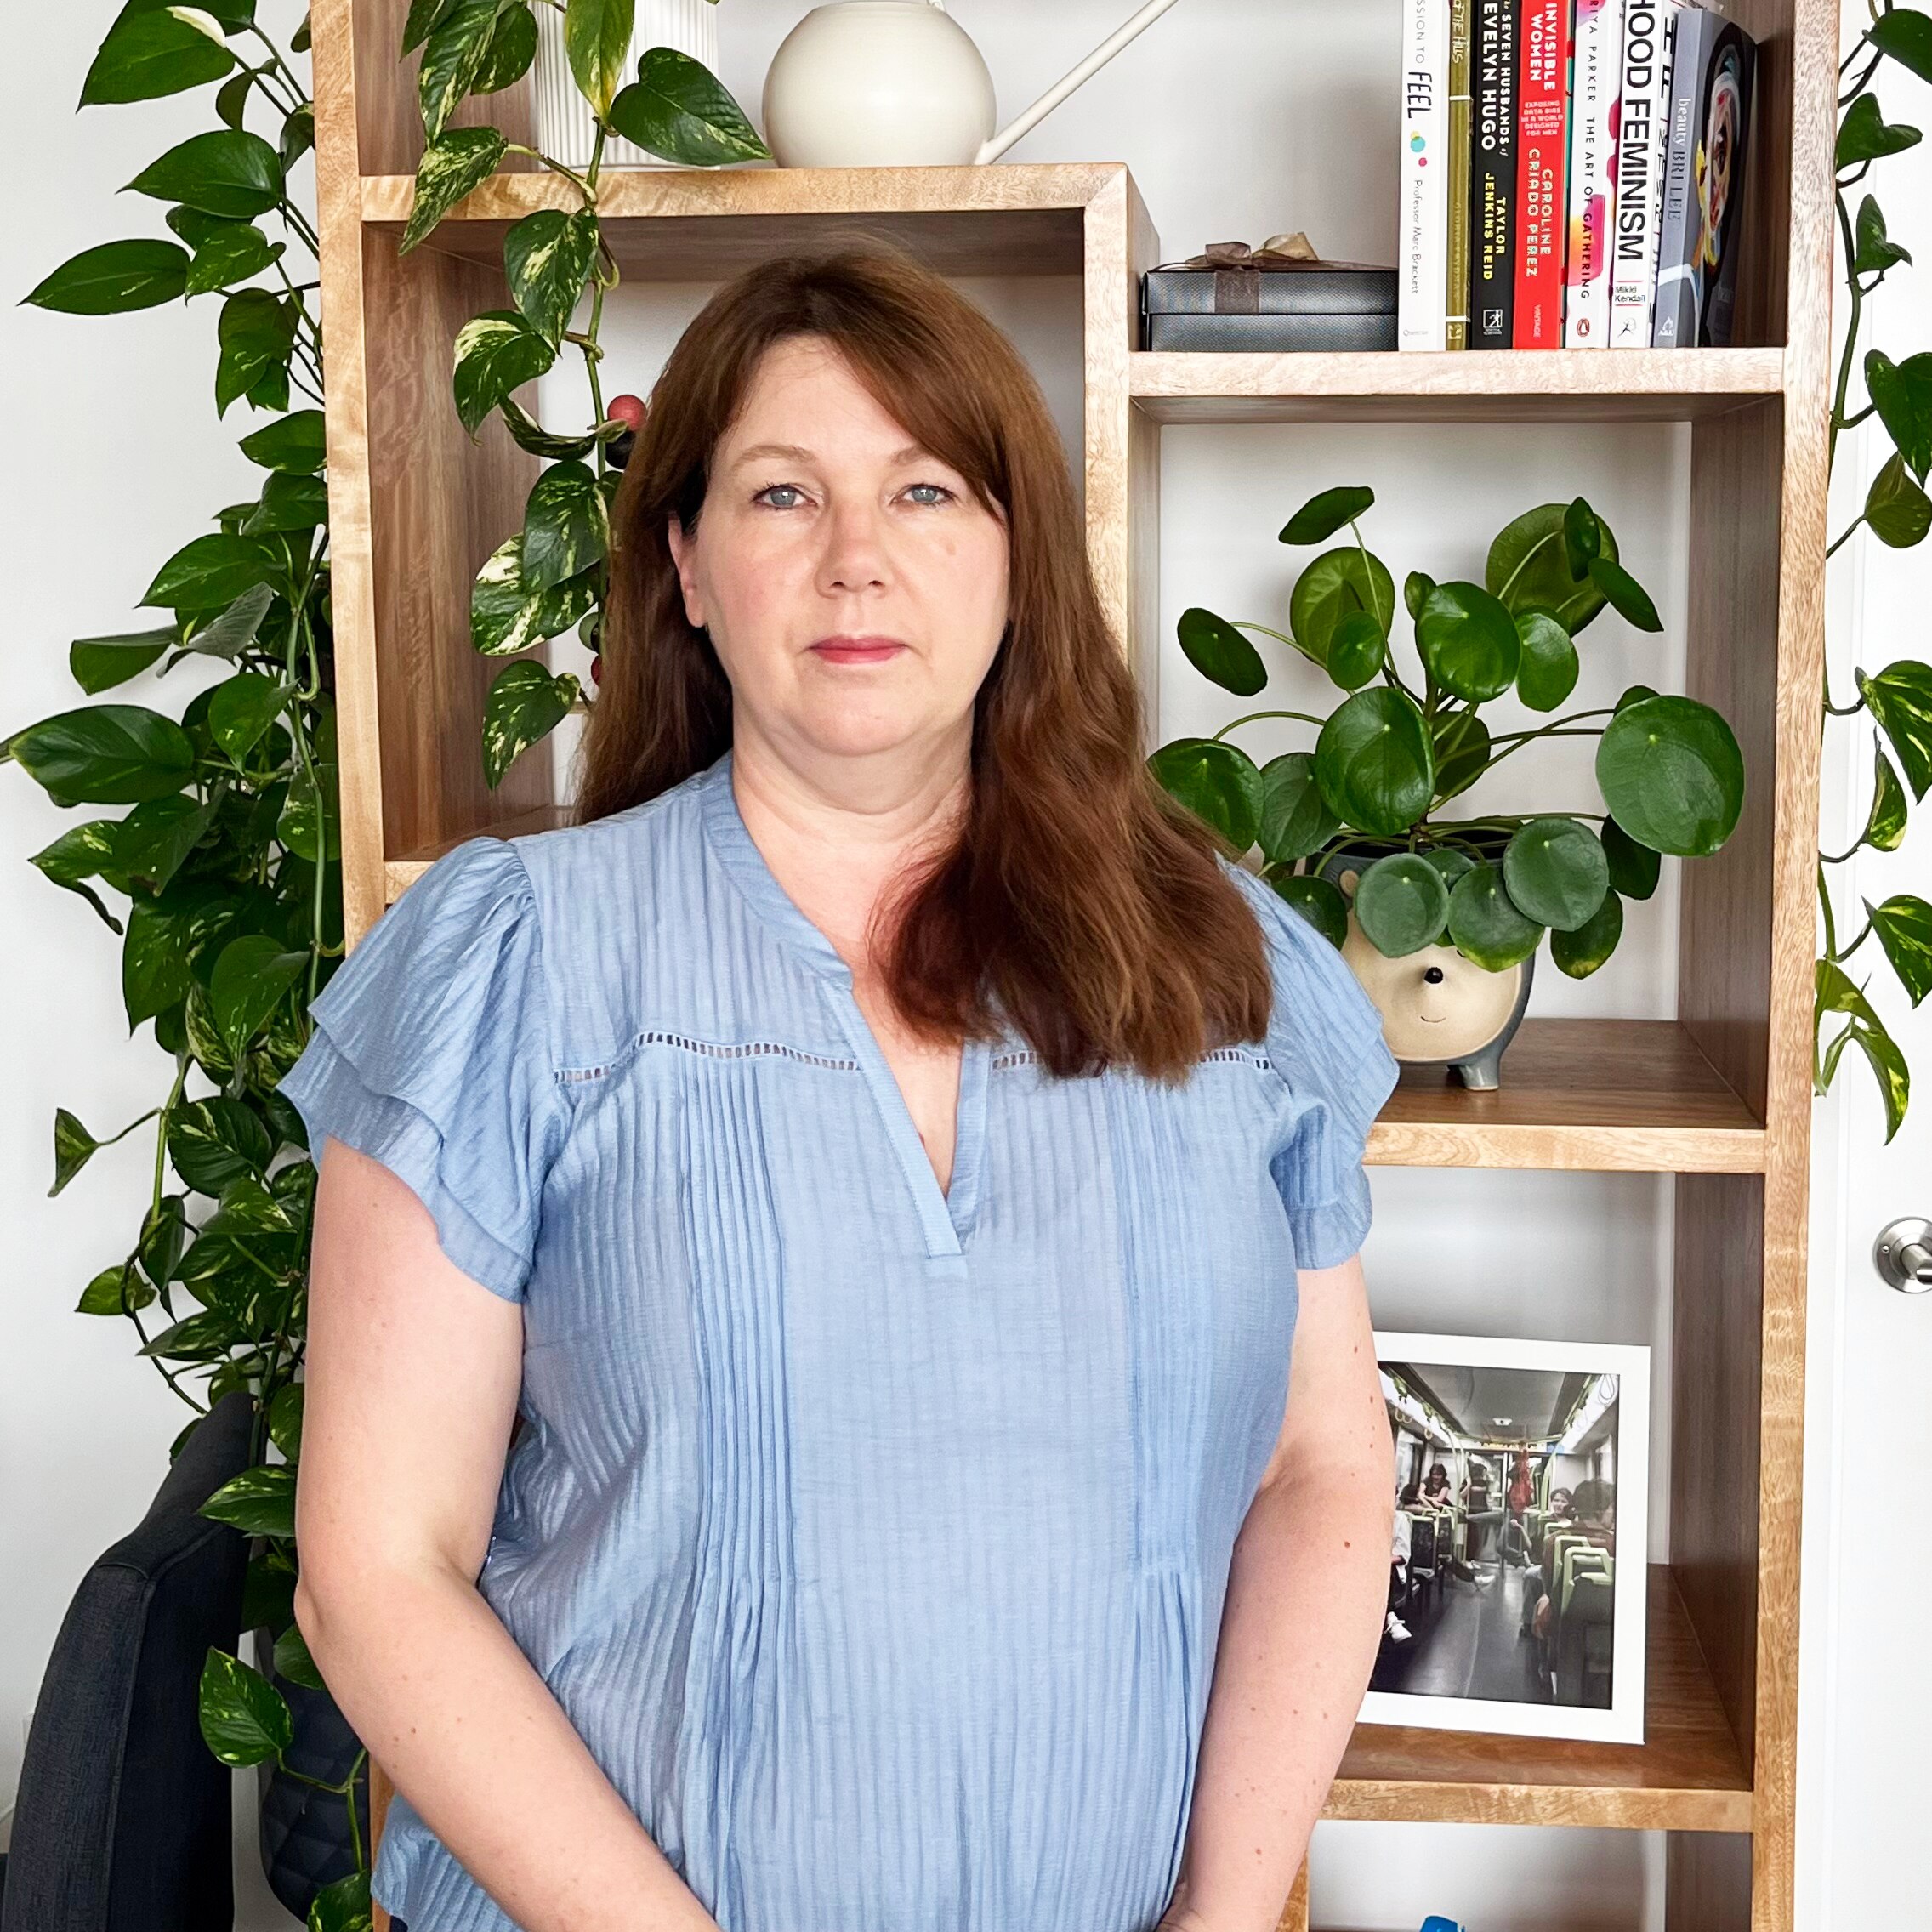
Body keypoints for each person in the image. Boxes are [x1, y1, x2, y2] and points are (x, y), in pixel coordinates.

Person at [281, 246, 1401, 1932]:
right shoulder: (519, 955)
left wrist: (1227, 1914)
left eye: (926, 488)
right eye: (782, 493)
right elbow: (376, 1568)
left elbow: (1321, 1462)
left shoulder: (1219, 956)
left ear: (1019, 556)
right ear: (687, 564)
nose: (857, 559)